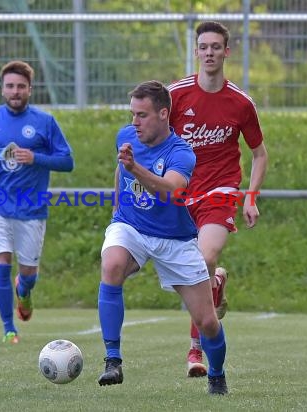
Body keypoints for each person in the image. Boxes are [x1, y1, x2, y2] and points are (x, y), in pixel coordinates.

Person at [97, 80, 228, 395]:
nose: (134, 122)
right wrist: (118, 209)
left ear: (163, 114)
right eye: (132, 114)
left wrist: (135, 167)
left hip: (175, 239)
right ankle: (112, 360)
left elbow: (171, 189)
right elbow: (120, 171)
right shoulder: (126, 137)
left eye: (142, 115)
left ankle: (217, 375)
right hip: (131, 226)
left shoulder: (181, 152)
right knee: (112, 264)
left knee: (207, 322)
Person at [168, 21, 268, 377]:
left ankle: (195, 350)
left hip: (220, 191)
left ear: (227, 52)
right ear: (196, 51)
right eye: (203, 46)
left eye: (216, 47)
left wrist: (250, 197)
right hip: (180, 194)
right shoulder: (175, 96)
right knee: (192, 273)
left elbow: (259, 153)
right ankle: (216, 284)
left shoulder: (240, 102)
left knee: (203, 257)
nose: (209, 52)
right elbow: (153, 139)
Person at [0, 60, 74, 344]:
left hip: (32, 207)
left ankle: (25, 289)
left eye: (21, 86)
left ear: (30, 89)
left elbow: (67, 161)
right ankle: (9, 328)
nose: (15, 91)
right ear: (2, 89)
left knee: (28, 273)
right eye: (10, 86)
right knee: (1, 264)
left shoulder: (45, 122)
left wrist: (36, 158)